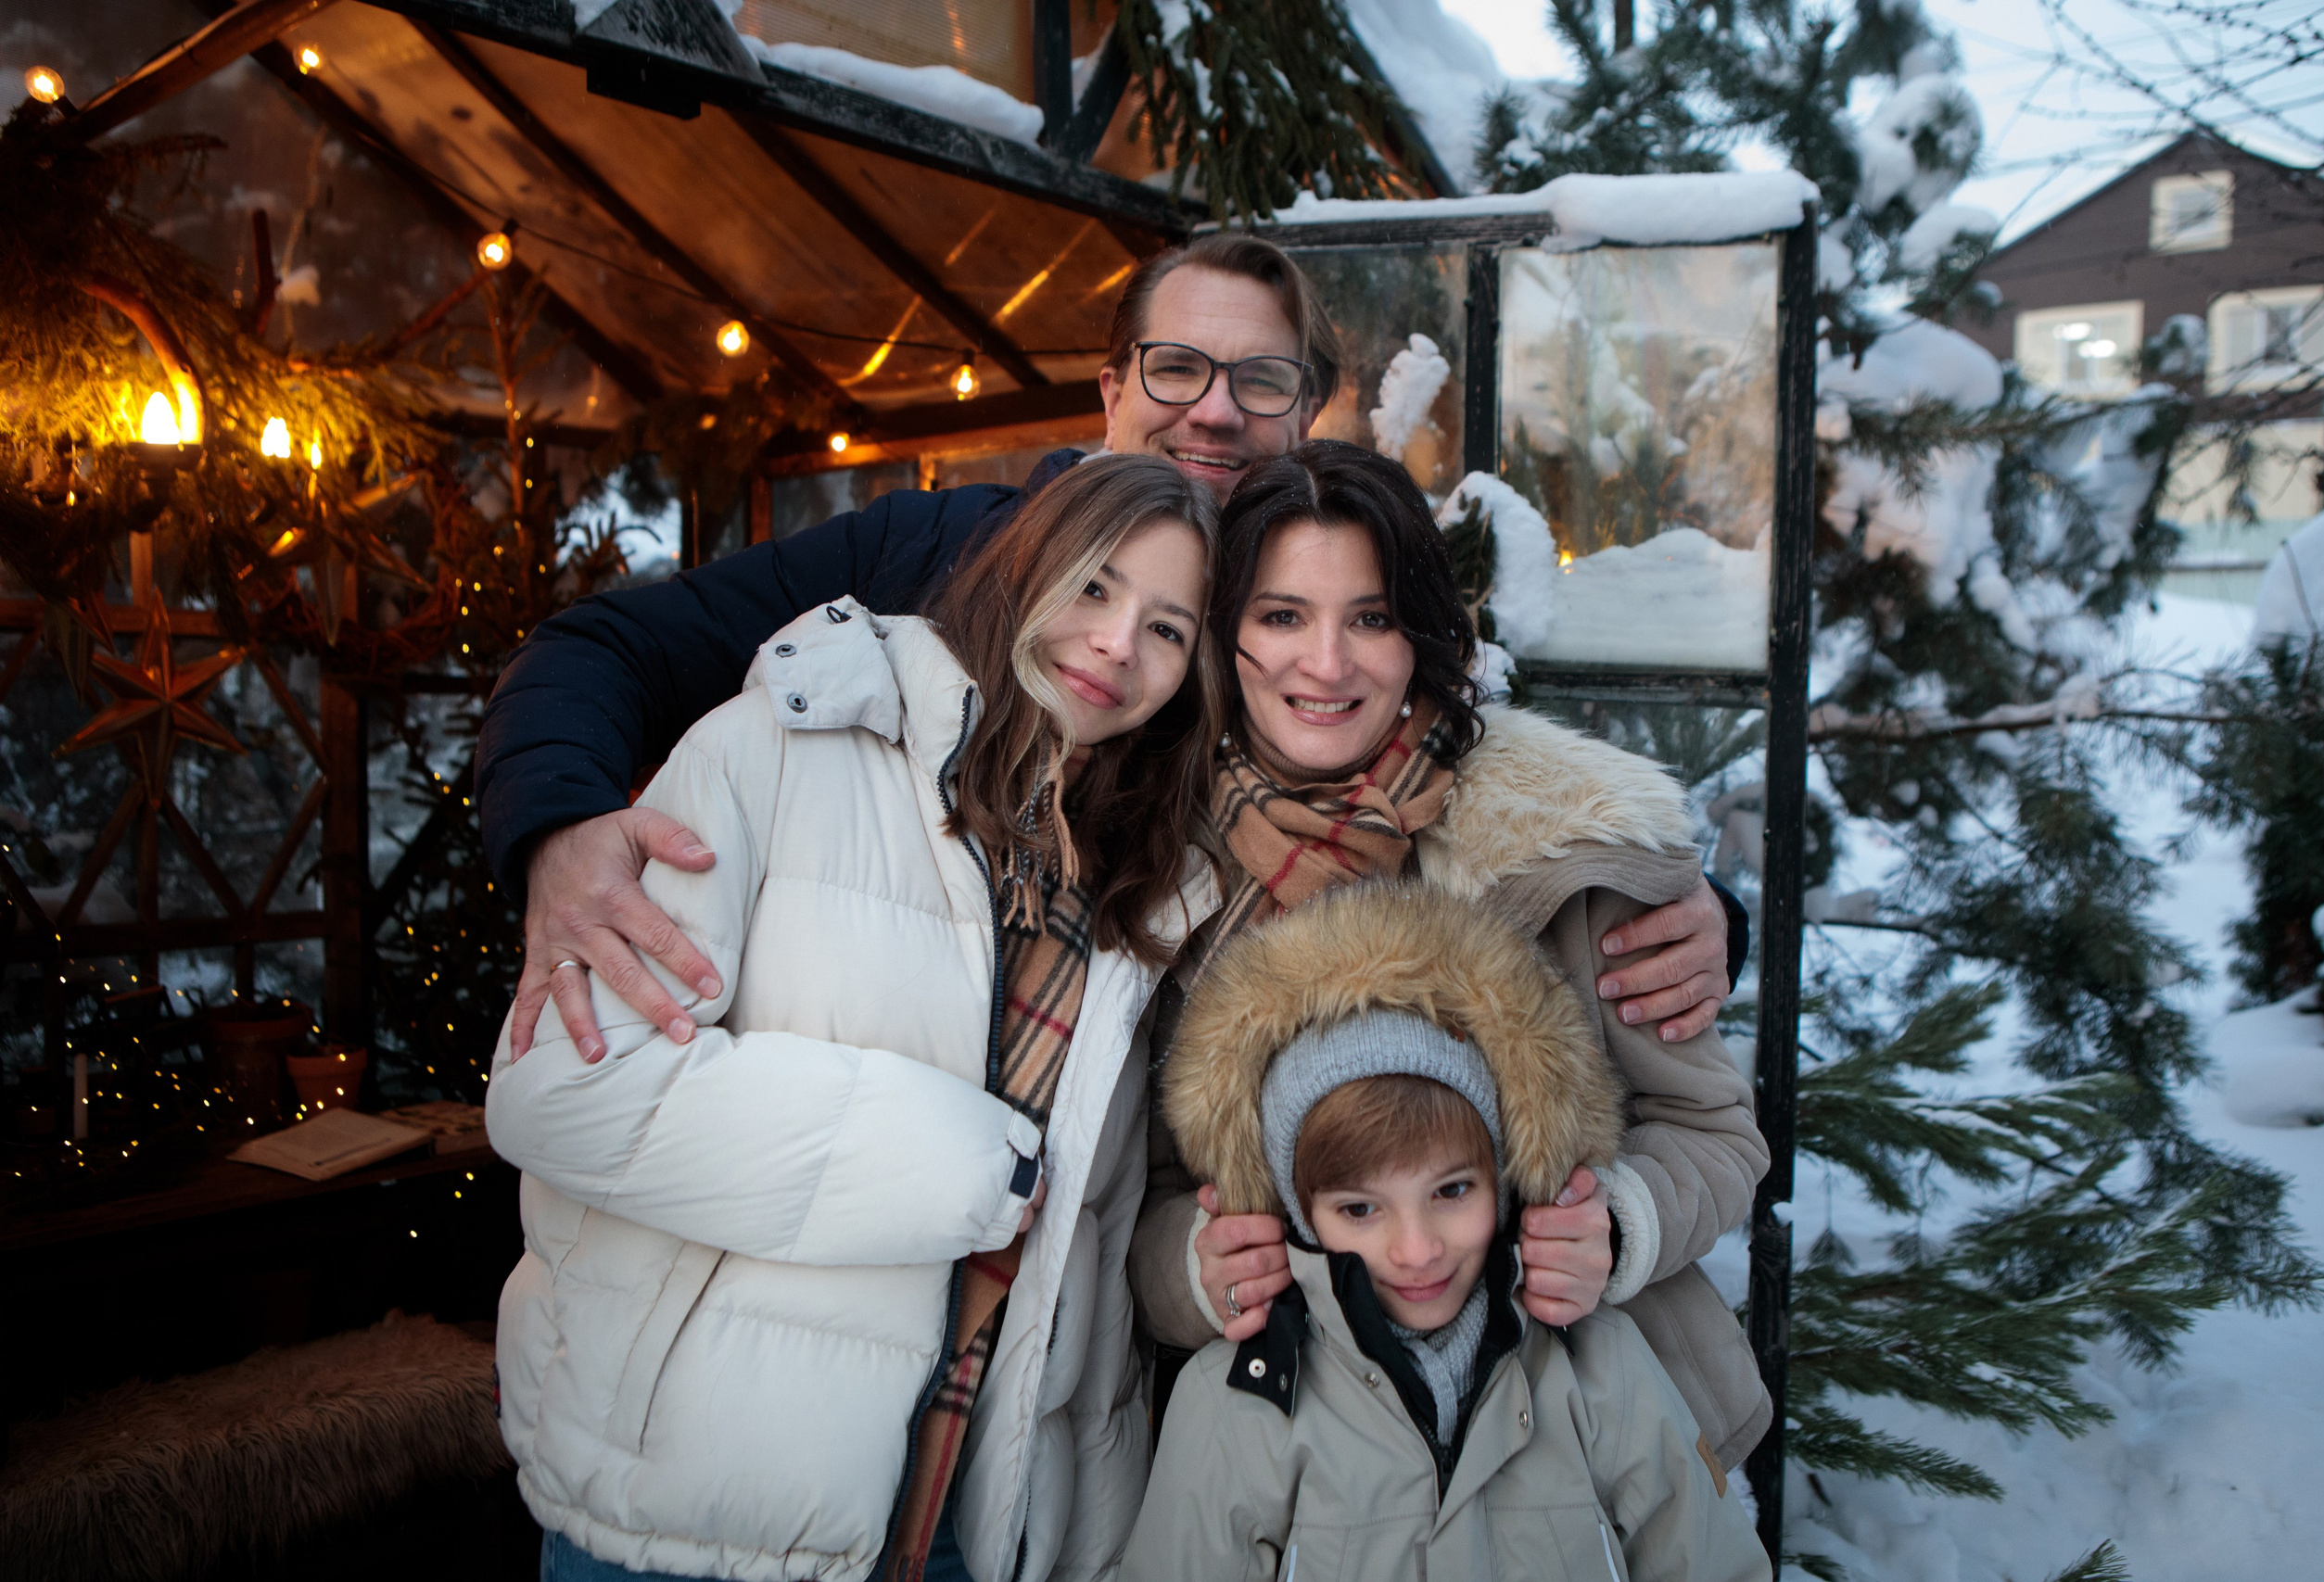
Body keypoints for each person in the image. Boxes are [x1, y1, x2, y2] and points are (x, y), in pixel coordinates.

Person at [476, 234, 1737, 1087]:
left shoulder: (1321, 636)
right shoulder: (938, 547)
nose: (1214, 408)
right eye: (1177, 366)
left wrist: (1671, 907)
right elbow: (609, 645)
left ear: (1304, 411)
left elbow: (1475, 790)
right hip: (847, 1132)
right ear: (1111, 388)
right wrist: (559, 828)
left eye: (1260, 379)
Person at [486, 456, 1224, 1582]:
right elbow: (563, 1092)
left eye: (1167, 629)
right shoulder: (777, 745)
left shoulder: (1145, 884)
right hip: (694, 1507)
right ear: (1021, 569)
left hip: (968, 1521)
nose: (1119, 643)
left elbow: (1100, 1240)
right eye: (1092, 585)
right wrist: (954, 1161)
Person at [1130, 441, 1771, 1469]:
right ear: (1225, 632)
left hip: (1585, 1446)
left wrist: (1620, 1225)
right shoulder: (1158, 870)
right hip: (1292, 1468)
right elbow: (1141, 1194)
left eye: (1371, 618)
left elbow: (1714, 1133)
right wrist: (1191, 1268)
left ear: (1423, 633)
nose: (1326, 664)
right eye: (1282, 616)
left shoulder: (1556, 839)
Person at [1124, 882, 1769, 1582]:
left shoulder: (1603, 1372)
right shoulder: (1237, 1405)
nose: (1418, 1249)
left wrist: (1612, 1223)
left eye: (1453, 1191)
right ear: (1300, 1210)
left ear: (1504, 1174)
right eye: (1360, 1210)